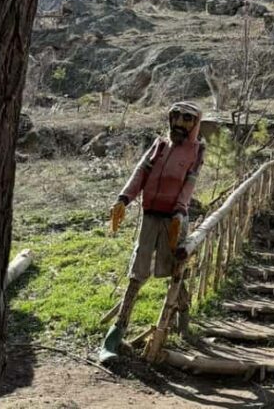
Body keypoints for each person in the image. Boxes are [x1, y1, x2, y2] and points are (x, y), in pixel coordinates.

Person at [99, 101, 205, 363]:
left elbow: (189, 184)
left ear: (194, 124)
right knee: (138, 272)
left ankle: (182, 320)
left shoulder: (196, 151)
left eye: (187, 119)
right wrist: (124, 198)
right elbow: (140, 174)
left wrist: (180, 211)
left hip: (174, 220)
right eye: (176, 117)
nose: (179, 123)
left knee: (176, 269)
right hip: (149, 217)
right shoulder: (159, 145)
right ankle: (115, 335)